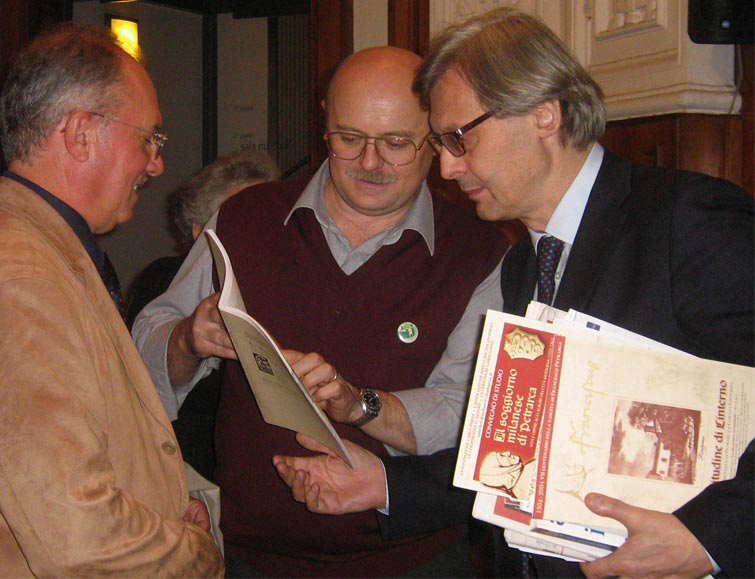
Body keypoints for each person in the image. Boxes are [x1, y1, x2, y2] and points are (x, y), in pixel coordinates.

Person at [273, 7, 754, 579]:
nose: (446, 169)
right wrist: (382, 483)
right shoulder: (524, 264)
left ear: (543, 114)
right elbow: (521, 460)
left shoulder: (686, 221)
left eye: (457, 140)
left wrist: (710, 538)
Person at [132, 45, 509, 577]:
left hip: (411, 562)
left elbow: (469, 413)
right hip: (250, 559)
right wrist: (187, 341)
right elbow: (145, 348)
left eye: (397, 143)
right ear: (324, 121)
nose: (370, 163)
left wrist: (364, 405)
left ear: (436, 136)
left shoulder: (480, 253)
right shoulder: (245, 219)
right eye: (349, 138)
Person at [0, 23, 224, 577]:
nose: (156, 164)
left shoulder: (48, 250)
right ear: (80, 134)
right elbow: (77, 533)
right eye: (149, 138)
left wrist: (163, 511)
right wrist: (193, 554)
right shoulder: (24, 274)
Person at [126, 151, 280, 480]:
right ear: (199, 233)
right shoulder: (163, 281)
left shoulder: (280, 286)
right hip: (187, 471)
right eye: (240, 220)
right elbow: (143, 378)